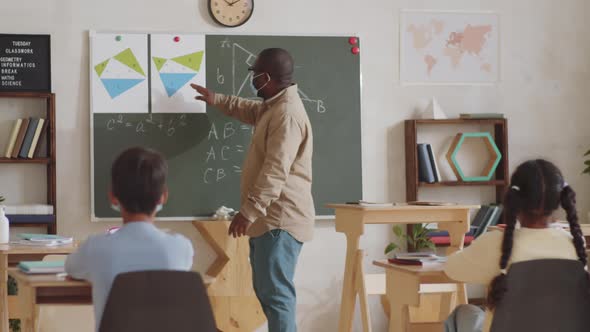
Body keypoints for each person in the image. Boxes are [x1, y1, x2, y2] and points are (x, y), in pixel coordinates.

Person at [191, 47, 314, 332]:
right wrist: (216, 99)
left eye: (255, 75)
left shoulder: (286, 114)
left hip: (279, 220)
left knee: (277, 297)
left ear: (267, 77)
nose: (253, 80)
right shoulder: (274, 106)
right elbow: (249, 109)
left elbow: (275, 171)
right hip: (268, 220)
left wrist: (247, 212)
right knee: (270, 294)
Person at [444, 159, 586, 332]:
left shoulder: (497, 244)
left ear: (513, 199)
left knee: (464, 312)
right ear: (560, 200)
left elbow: (451, 269)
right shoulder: (574, 244)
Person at [65, 147, 194, 330]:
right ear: (163, 196)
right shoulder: (182, 248)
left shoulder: (95, 248)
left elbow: (71, 267)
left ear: (112, 196)